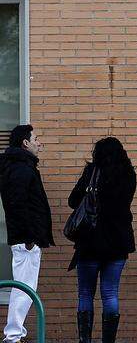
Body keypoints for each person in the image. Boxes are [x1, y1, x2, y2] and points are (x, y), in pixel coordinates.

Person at [68, 137, 136, 343]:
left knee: (86, 294)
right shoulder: (128, 175)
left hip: (90, 242)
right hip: (117, 244)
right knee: (110, 293)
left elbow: (73, 201)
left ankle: (85, 340)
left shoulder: (92, 173)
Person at [0, 125, 54, 343]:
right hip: (26, 240)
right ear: (25, 143)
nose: (39, 143)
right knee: (24, 288)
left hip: (27, 238)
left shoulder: (20, 166)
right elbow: (17, 204)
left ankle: (15, 333)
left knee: (24, 288)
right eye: (36, 139)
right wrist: (30, 238)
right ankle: (13, 336)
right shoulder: (21, 168)